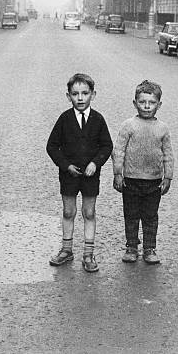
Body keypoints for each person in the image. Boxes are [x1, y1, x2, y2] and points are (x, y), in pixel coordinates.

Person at [46, 73, 113, 273]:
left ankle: (88, 253)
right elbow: (51, 146)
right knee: (68, 211)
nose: (80, 98)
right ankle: (67, 250)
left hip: (91, 176)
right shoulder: (64, 119)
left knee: (89, 212)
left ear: (93, 94)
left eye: (85, 93)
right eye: (75, 94)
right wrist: (66, 165)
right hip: (69, 175)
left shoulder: (98, 119)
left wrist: (95, 163)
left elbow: (106, 145)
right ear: (68, 96)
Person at [112, 80, 173, 265]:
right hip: (130, 180)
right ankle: (131, 247)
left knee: (150, 216)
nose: (147, 106)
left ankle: (149, 248)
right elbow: (119, 150)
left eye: (151, 102)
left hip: (153, 181)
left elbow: (168, 154)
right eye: (142, 102)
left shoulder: (162, 128)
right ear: (135, 103)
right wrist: (118, 173)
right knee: (130, 215)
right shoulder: (128, 126)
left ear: (159, 105)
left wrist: (168, 176)